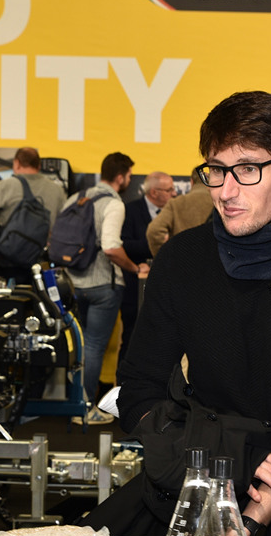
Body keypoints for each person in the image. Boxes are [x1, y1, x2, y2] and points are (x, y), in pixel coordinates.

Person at [81, 91, 271, 536]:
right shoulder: (183, 260)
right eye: (216, 169)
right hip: (197, 480)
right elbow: (138, 392)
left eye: (248, 170)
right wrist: (230, 452)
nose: (225, 191)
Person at [66, 151, 138, 425]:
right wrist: (133, 268)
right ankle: (84, 408)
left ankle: (74, 403)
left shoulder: (77, 198)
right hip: (102, 286)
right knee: (95, 347)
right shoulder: (114, 203)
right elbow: (110, 247)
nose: (129, 180)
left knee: (80, 346)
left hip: (73, 283)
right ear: (120, 177)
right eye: (129, 175)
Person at [0, 147, 67, 276]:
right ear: (38, 166)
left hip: (7, 261)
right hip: (41, 261)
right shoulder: (57, 190)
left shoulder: (6, 185)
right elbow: (64, 226)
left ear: (16, 163)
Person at [118, 171, 174, 366]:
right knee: (131, 336)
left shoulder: (174, 210)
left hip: (166, 286)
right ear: (154, 192)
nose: (174, 193)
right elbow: (124, 244)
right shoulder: (130, 210)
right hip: (134, 286)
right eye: (169, 190)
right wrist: (156, 243)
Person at [146, 171, 214, 256]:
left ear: (191, 181)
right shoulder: (220, 203)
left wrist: (163, 257)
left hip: (182, 259)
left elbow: (154, 231)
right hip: (215, 260)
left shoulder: (176, 203)